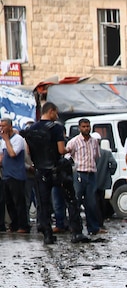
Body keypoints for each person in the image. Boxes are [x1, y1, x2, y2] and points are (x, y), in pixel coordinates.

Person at [23, 102, 85, 244]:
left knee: (43, 204)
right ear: (51, 111)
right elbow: (61, 150)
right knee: (71, 200)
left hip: (40, 171)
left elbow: (28, 151)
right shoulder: (56, 128)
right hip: (57, 169)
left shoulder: (31, 129)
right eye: (56, 113)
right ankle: (76, 233)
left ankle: (47, 235)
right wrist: (69, 150)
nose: (56, 116)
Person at [65, 118, 104, 236]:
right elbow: (67, 156)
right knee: (76, 201)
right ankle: (76, 228)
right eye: (84, 126)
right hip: (79, 173)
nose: (86, 128)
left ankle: (93, 227)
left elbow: (97, 156)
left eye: (88, 126)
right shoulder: (74, 141)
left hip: (91, 173)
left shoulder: (94, 141)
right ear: (79, 128)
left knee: (91, 202)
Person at [1, 117, 29, 233]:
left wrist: (7, 140)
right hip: (6, 175)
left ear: (10, 126)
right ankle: (14, 224)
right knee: (9, 202)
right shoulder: (3, 140)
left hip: (16, 175)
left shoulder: (18, 139)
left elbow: (13, 154)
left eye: (3, 126)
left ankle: (23, 225)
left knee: (19, 202)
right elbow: (2, 156)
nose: (1, 129)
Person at [95, 142, 117, 226]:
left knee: (95, 202)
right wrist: (110, 173)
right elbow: (114, 164)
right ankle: (101, 221)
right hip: (103, 181)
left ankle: (97, 222)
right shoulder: (106, 153)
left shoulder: (91, 153)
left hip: (92, 181)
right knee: (102, 200)